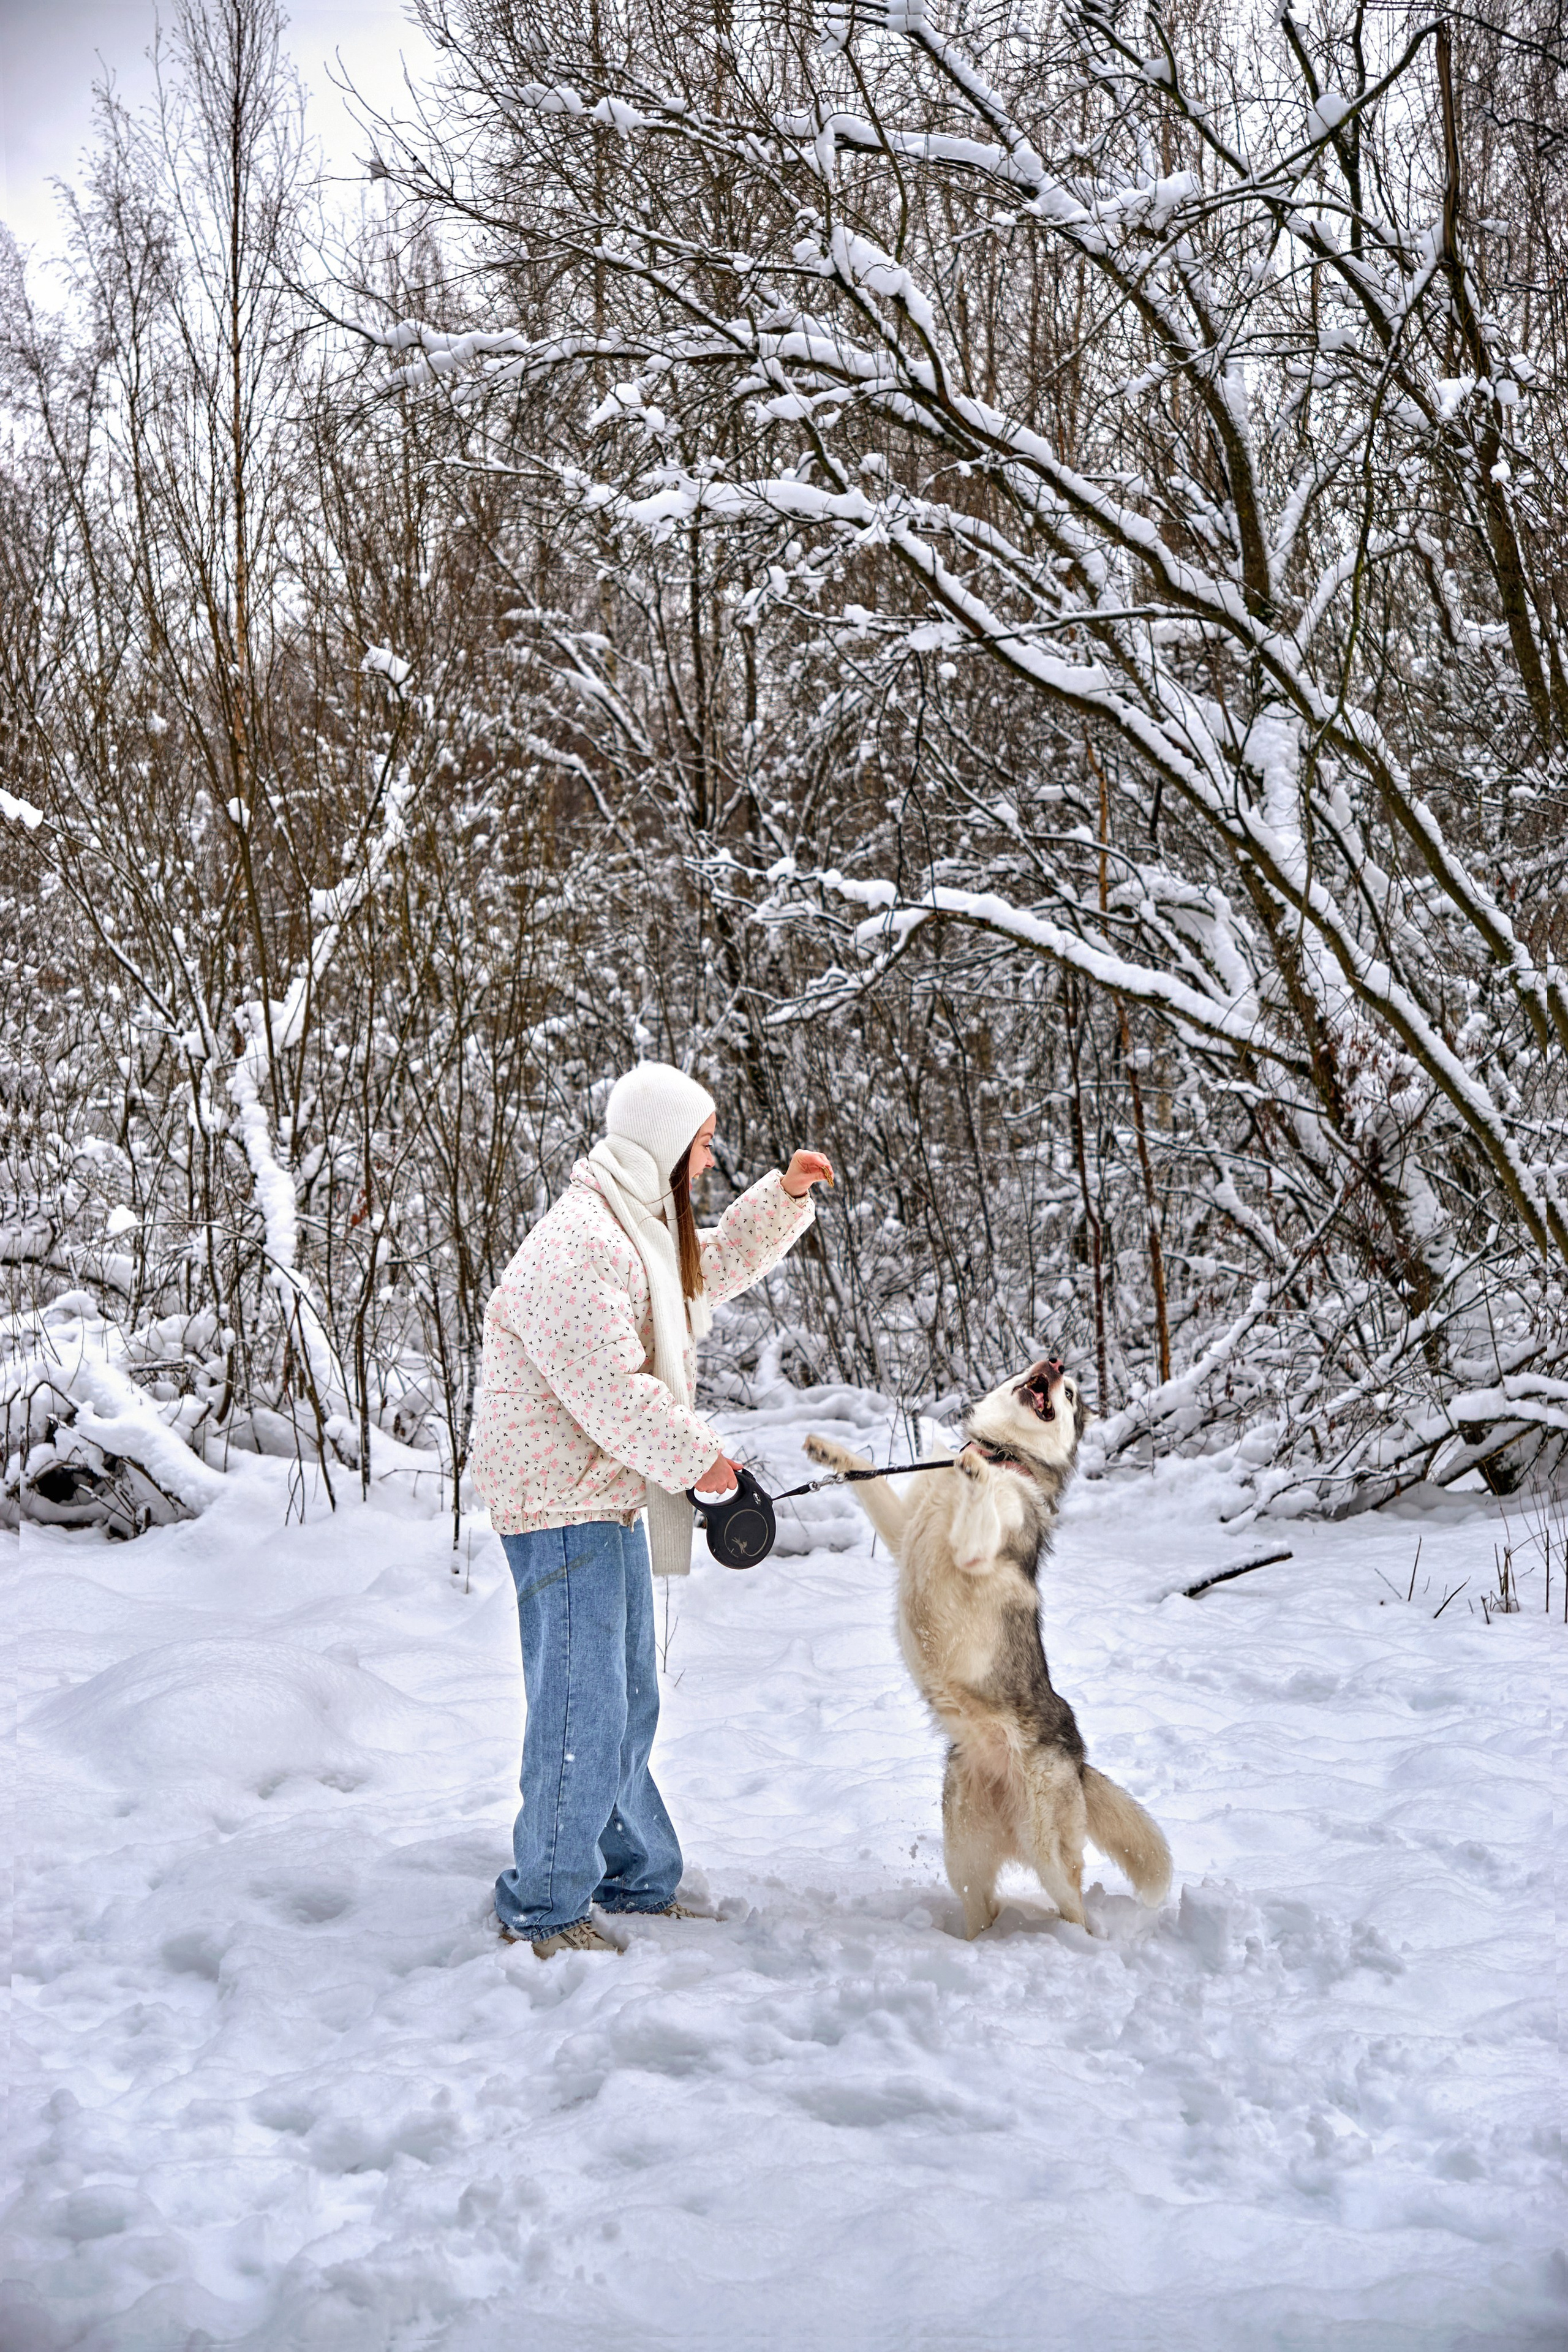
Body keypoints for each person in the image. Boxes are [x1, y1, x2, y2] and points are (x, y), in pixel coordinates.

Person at [470, 1063, 834, 1956]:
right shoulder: (578, 1245)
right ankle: (546, 1907)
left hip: (602, 1495)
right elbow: (610, 1391)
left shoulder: (633, 1229)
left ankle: (634, 1876)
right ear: (665, 1148)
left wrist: (783, 1198)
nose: (711, 1161)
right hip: (558, 1502)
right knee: (578, 1711)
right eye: (704, 1144)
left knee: (626, 1701)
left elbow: (705, 1268)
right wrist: (708, 1469)